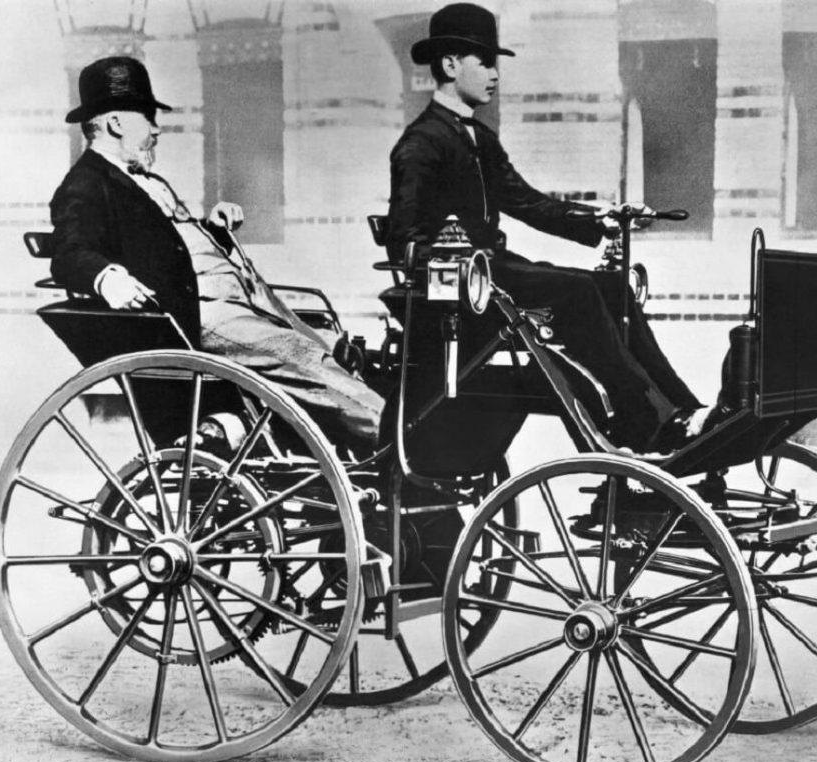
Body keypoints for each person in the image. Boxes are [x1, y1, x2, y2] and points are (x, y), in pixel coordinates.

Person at [387, 3, 721, 453]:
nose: (495, 74)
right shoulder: (421, 144)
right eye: (484, 62)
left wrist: (599, 219)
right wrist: (458, 270)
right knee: (576, 291)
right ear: (450, 65)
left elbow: (528, 203)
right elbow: (404, 243)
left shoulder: (480, 139)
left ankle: (684, 410)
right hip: (465, 291)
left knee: (612, 288)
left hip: (497, 274)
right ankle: (650, 421)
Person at [50, 56, 383, 452]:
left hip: (243, 299)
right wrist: (107, 278)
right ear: (117, 123)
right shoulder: (86, 184)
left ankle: (353, 437)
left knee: (331, 344)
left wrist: (214, 231)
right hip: (199, 315)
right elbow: (69, 252)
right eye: (148, 118)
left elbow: (170, 248)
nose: (156, 129)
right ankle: (389, 434)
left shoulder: (147, 181)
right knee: (301, 355)